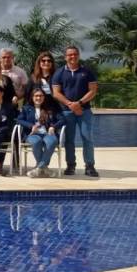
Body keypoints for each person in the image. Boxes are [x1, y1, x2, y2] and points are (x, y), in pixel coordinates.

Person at [51, 45, 98, 177]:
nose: (73, 56)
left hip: (84, 110)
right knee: (69, 140)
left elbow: (93, 90)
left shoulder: (87, 71)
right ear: (65, 57)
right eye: (70, 54)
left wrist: (79, 103)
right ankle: (71, 165)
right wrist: (70, 104)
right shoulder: (59, 73)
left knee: (87, 138)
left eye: (75, 54)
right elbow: (56, 93)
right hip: (67, 112)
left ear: (78, 55)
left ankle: (89, 166)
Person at [16, 87, 63, 178]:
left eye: (41, 96)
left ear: (44, 97)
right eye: (36, 96)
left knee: (52, 142)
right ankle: (44, 168)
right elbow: (19, 120)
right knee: (36, 142)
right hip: (32, 134)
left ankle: (39, 168)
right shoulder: (26, 108)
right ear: (32, 97)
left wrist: (53, 127)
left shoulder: (50, 108)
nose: (38, 98)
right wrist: (31, 126)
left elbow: (62, 120)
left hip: (48, 133)